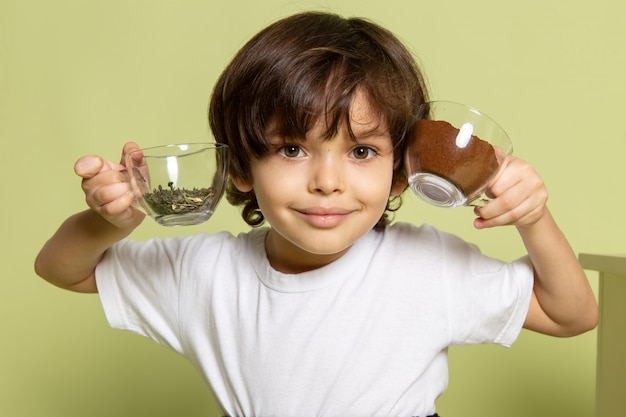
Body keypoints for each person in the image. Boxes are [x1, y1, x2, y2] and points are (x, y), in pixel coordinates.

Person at [34, 11, 598, 417]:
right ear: (238, 168)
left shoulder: (428, 266)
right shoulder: (202, 272)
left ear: (401, 170)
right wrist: (111, 219)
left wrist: (534, 217)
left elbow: (572, 314)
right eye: (291, 148)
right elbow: (63, 268)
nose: (327, 182)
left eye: (361, 151)